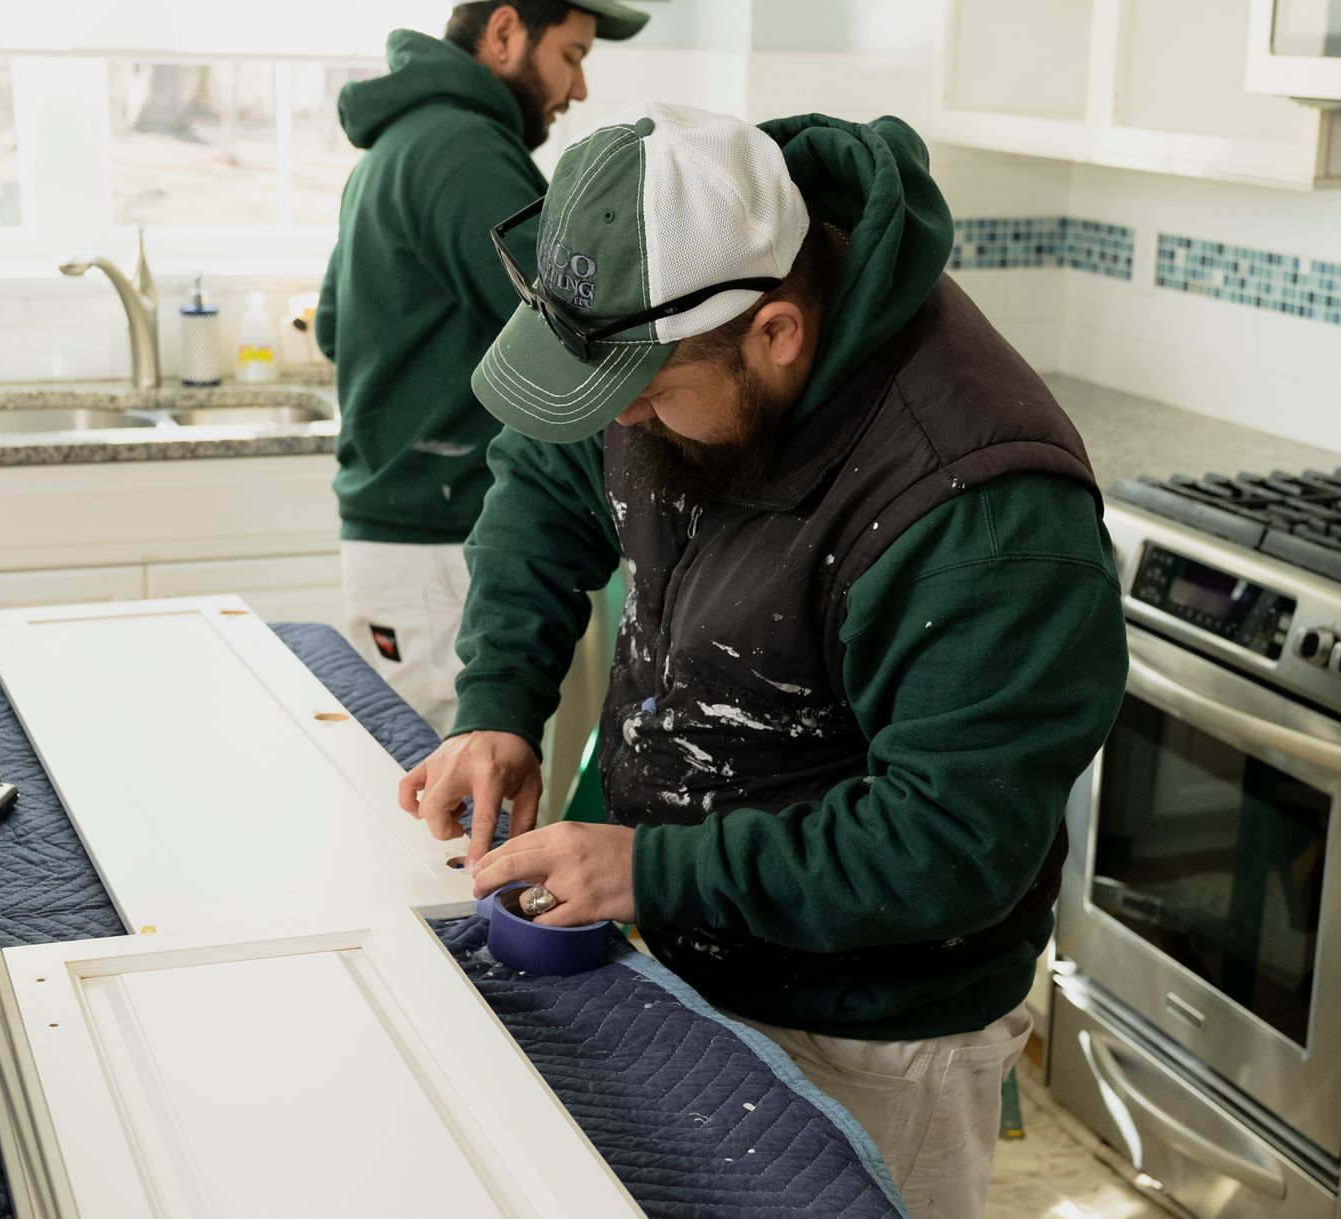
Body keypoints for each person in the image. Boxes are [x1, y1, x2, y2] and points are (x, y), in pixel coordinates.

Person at [399, 103, 1128, 1219]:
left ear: (778, 331)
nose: (624, 418)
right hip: (688, 962)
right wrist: (498, 701)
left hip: (879, 1032)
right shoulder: (675, 329)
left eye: (645, 392)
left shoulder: (980, 508)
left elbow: (948, 845)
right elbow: (549, 491)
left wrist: (653, 868)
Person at [315, 0, 647, 733]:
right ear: (503, 34)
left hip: (402, 545)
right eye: (570, 54)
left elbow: (330, 323)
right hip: (445, 550)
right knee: (458, 831)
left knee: (423, 814)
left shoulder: (399, 145)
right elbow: (576, 333)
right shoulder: (466, 152)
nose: (579, 85)